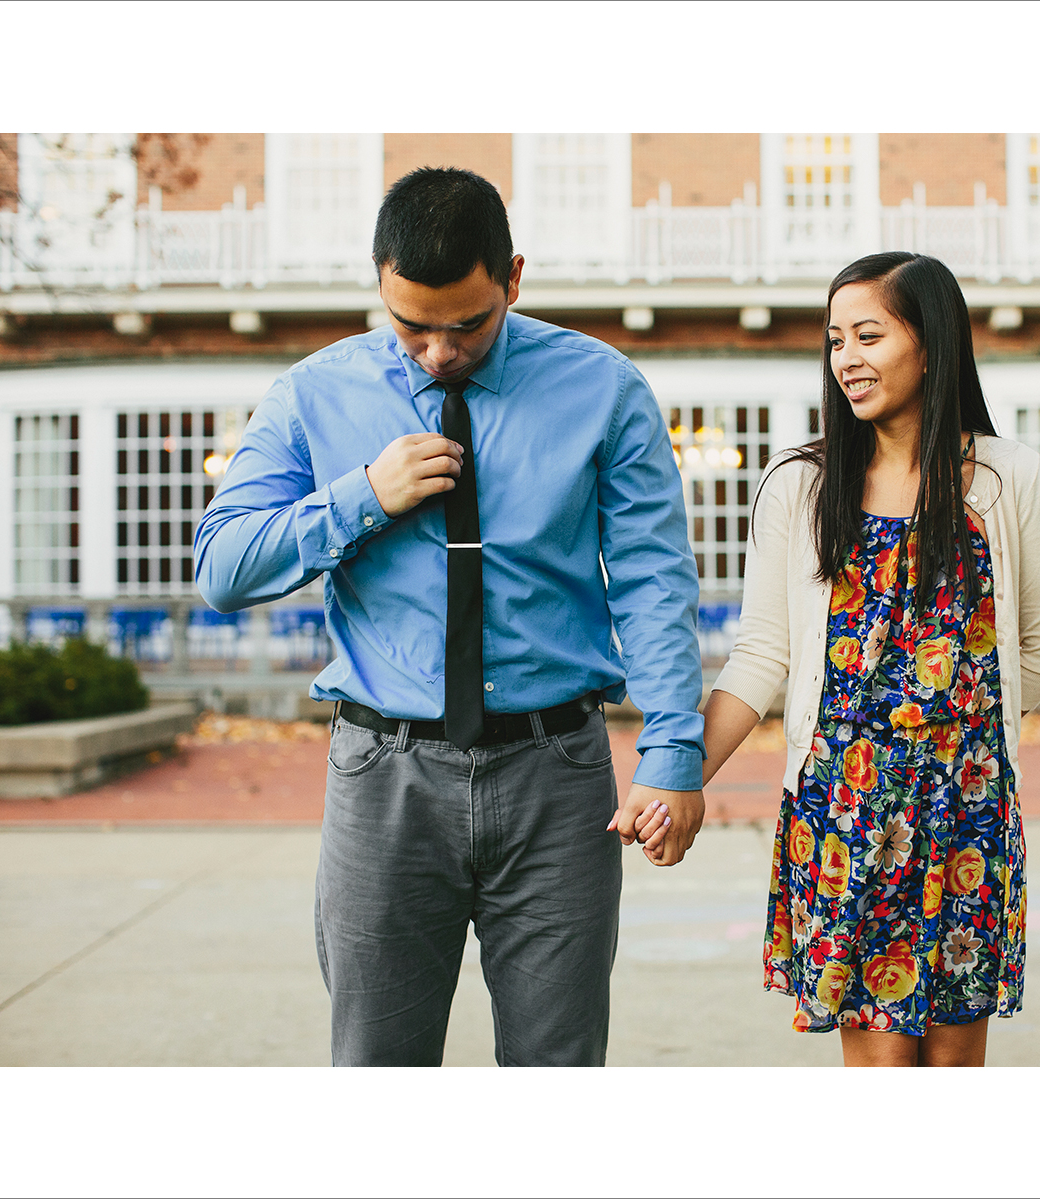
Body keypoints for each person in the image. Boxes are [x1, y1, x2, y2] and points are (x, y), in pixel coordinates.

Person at [195, 167, 705, 1067]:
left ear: (512, 277)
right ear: (381, 283)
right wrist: (360, 498)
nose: (438, 352)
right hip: (383, 779)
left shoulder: (603, 390)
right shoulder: (314, 395)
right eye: (411, 326)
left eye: (467, 324)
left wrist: (672, 754)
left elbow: (652, 581)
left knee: (559, 1070)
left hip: (557, 778)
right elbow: (224, 566)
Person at [636, 252, 1040, 1065]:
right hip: (844, 814)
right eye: (836, 340)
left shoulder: (1007, 479)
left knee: (950, 1065)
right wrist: (673, 773)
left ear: (933, 343)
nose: (847, 359)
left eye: (869, 335)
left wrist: (955, 735)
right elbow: (762, 655)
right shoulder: (802, 486)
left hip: (966, 813)